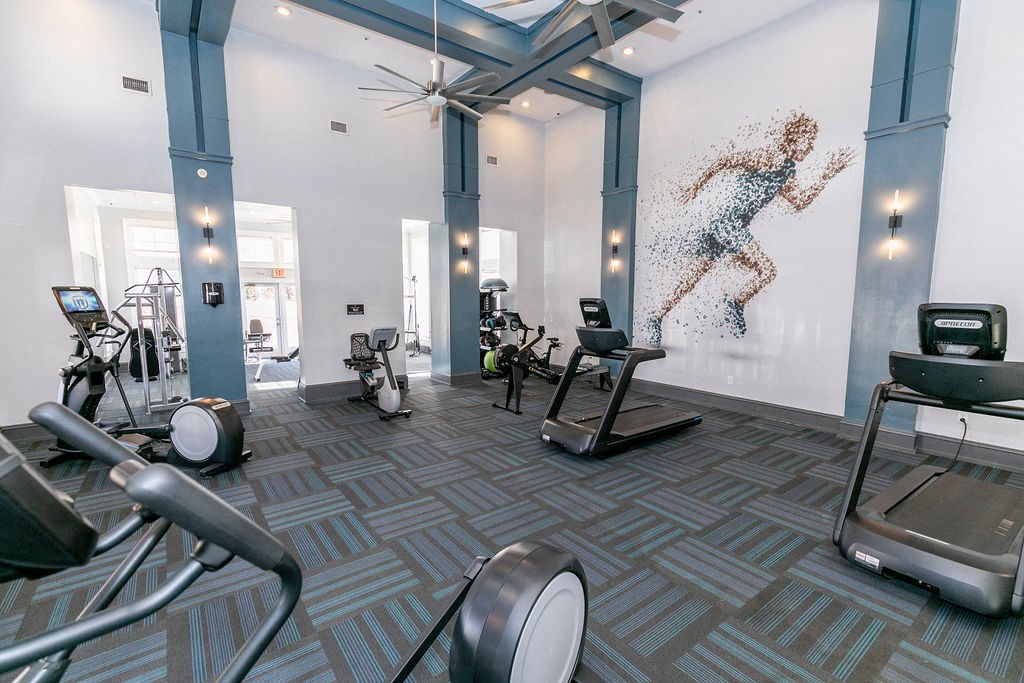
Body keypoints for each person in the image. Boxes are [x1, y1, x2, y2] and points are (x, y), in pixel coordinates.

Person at [641, 112, 854, 343]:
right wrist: (696, 186)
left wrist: (827, 175)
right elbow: (725, 161)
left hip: (725, 225)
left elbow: (800, 202)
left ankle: (656, 316)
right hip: (728, 224)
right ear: (794, 137)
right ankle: (735, 302)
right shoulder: (769, 158)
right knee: (767, 271)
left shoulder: (787, 172)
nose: (811, 148)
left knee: (692, 278)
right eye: (808, 141)